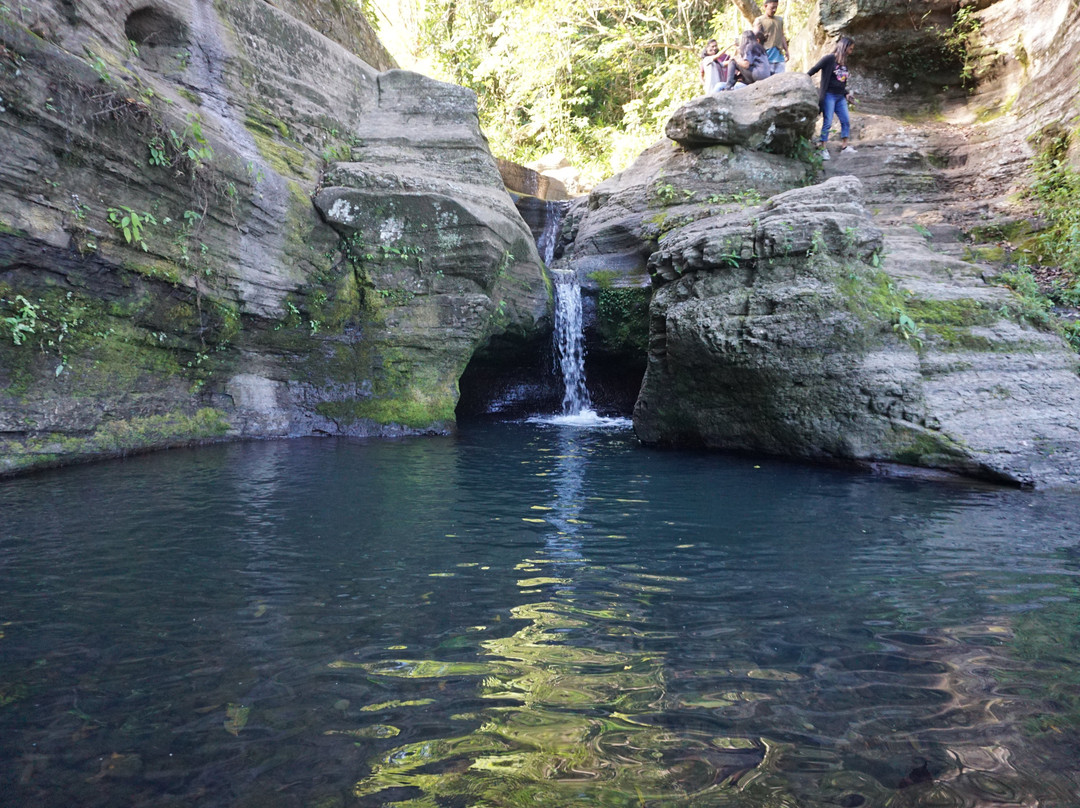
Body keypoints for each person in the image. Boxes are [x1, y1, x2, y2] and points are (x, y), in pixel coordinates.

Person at [807, 36, 856, 160]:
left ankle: (845, 146)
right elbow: (814, 69)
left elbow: (841, 82)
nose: (851, 51)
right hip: (829, 95)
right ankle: (823, 148)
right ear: (844, 47)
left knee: (845, 120)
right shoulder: (829, 59)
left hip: (840, 97)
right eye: (850, 48)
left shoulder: (844, 63)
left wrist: (846, 94)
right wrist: (802, 80)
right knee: (827, 122)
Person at [753, 0, 788, 75]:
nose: (774, 10)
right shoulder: (759, 20)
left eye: (776, 7)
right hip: (766, 56)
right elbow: (755, 38)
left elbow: (782, 35)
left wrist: (786, 50)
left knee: (780, 79)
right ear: (765, 6)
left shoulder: (779, 20)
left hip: (779, 55)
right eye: (772, 8)